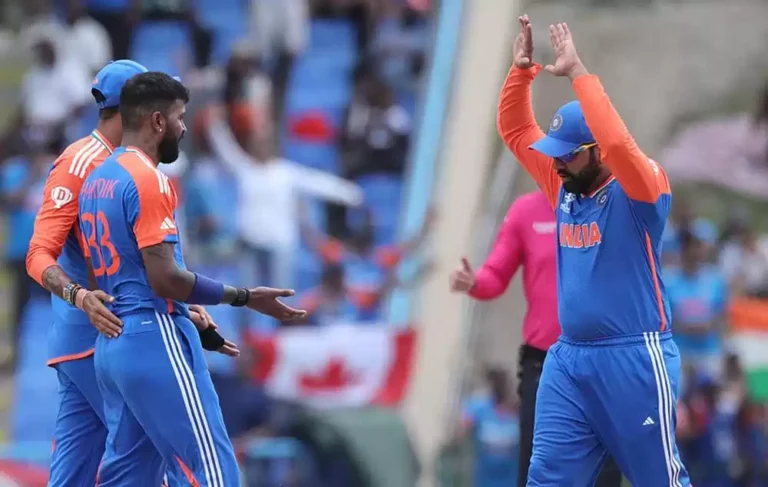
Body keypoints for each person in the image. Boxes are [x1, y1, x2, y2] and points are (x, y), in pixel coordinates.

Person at [77, 71, 306, 485]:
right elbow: (165, 278)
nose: (183, 129)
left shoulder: (97, 180)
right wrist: (244, 296)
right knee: (212, 468)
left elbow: (118, 271)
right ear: (158, 121)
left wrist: (185, 311)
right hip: (153, 335)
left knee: (128, 476)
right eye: (180, 118)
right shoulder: (150, 179)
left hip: (113, 344)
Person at [497, 16, 689, 485]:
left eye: (570, 153)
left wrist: (579, 73)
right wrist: (521, 72)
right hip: (569, 360)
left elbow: (620, 144)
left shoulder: (641, 191)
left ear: (597, 149)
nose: (559, 162)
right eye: (557, 154)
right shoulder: (564, 187)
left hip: (633, 359)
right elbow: (517, 132)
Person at [24, 59, 146, 487]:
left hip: (97, 343)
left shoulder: (130, 162)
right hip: (95, 343)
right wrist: (80, 297)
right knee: (144, 454)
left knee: (72, 474)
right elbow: (38, 254)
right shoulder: (80, 162)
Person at [449, 190, 622, 487]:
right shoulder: (526, 211)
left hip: (601, 360)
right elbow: (495, 274)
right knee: (539, 468)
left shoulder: (610, 205)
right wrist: (474, 281)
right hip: (544, 363)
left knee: (602, 470)